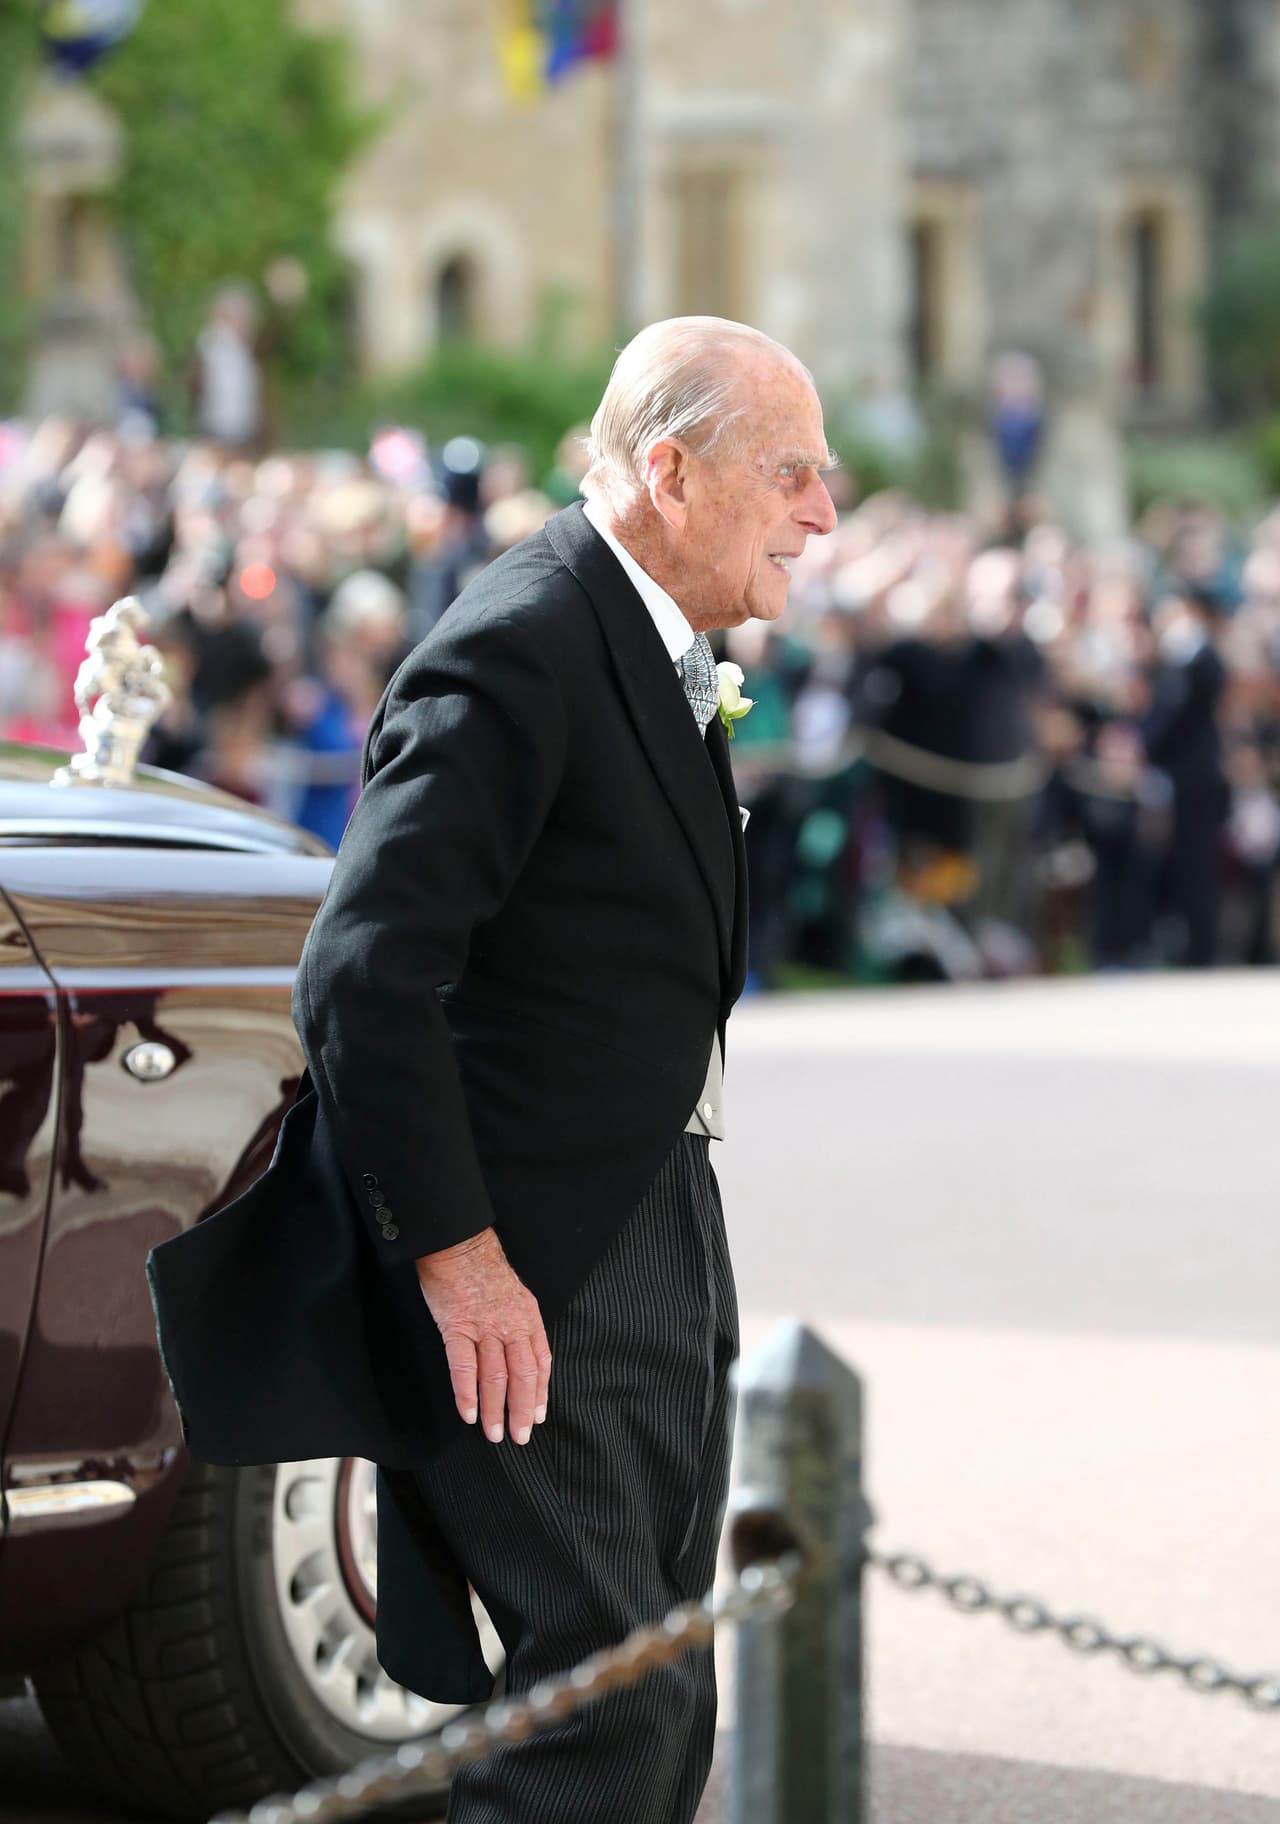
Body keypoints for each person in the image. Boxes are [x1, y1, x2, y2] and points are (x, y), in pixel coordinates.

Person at [148, 316, 838, 1824]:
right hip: (535, 1268)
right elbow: (363, 966)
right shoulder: (522, 639)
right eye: (792, 472)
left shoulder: (639, 632)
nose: (824, 512)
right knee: (602, 1706)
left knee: (653, 1681)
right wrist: (460, 1260)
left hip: (643, 1216)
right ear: (671, 472)